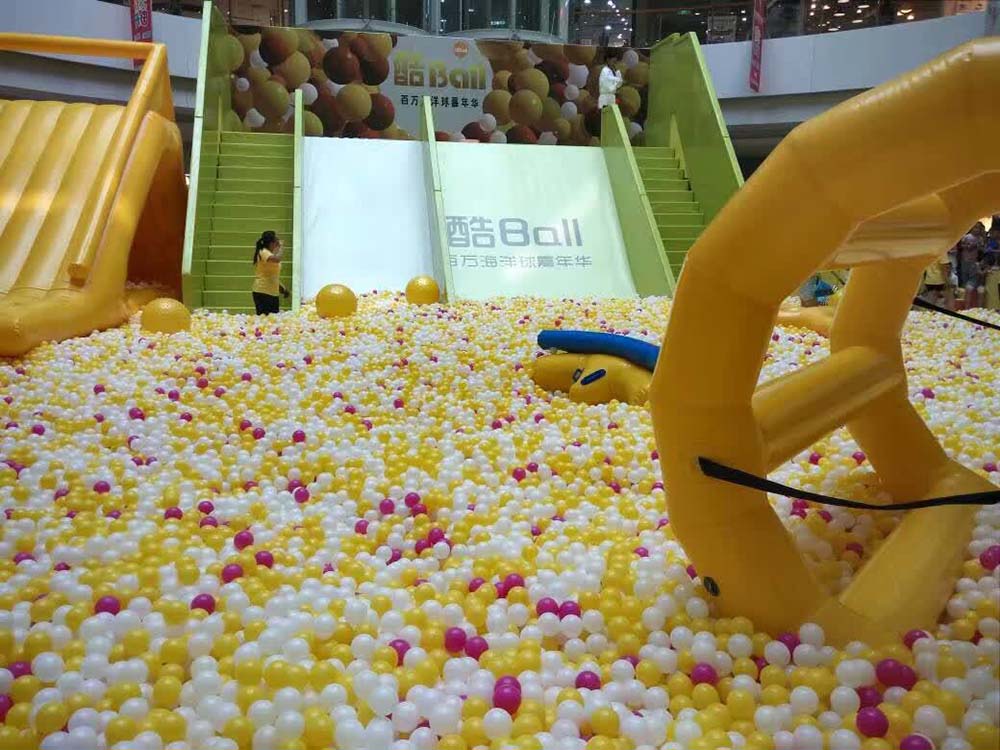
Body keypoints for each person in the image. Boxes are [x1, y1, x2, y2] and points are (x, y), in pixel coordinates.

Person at [251, 230, 289, 315]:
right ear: (272, 242)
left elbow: (272, 275)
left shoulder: (269, 253)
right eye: (277, 239)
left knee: (273, 319)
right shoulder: (263, 252)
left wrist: (282, 288)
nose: (278, 241)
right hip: (262, 291)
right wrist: (281, 248)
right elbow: (277, 259)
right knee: (264, 318)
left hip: (273, 293)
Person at [956, 232, 985, 309]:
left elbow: (981, 274)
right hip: (966, 263)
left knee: (974, 288)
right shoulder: (965, 237)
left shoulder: (980, 239)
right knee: (967, 286)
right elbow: (961, 246)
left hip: (977, 281)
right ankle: (967, 308)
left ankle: (976, 309)